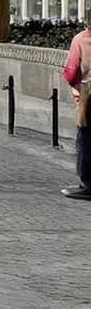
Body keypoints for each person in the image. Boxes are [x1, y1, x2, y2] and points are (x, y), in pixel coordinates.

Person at [61, 20, 91, 200]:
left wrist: (76, 87)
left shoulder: (81, 39)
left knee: (86, 138)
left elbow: (71, 71)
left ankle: (88, 183)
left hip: (89, 93)